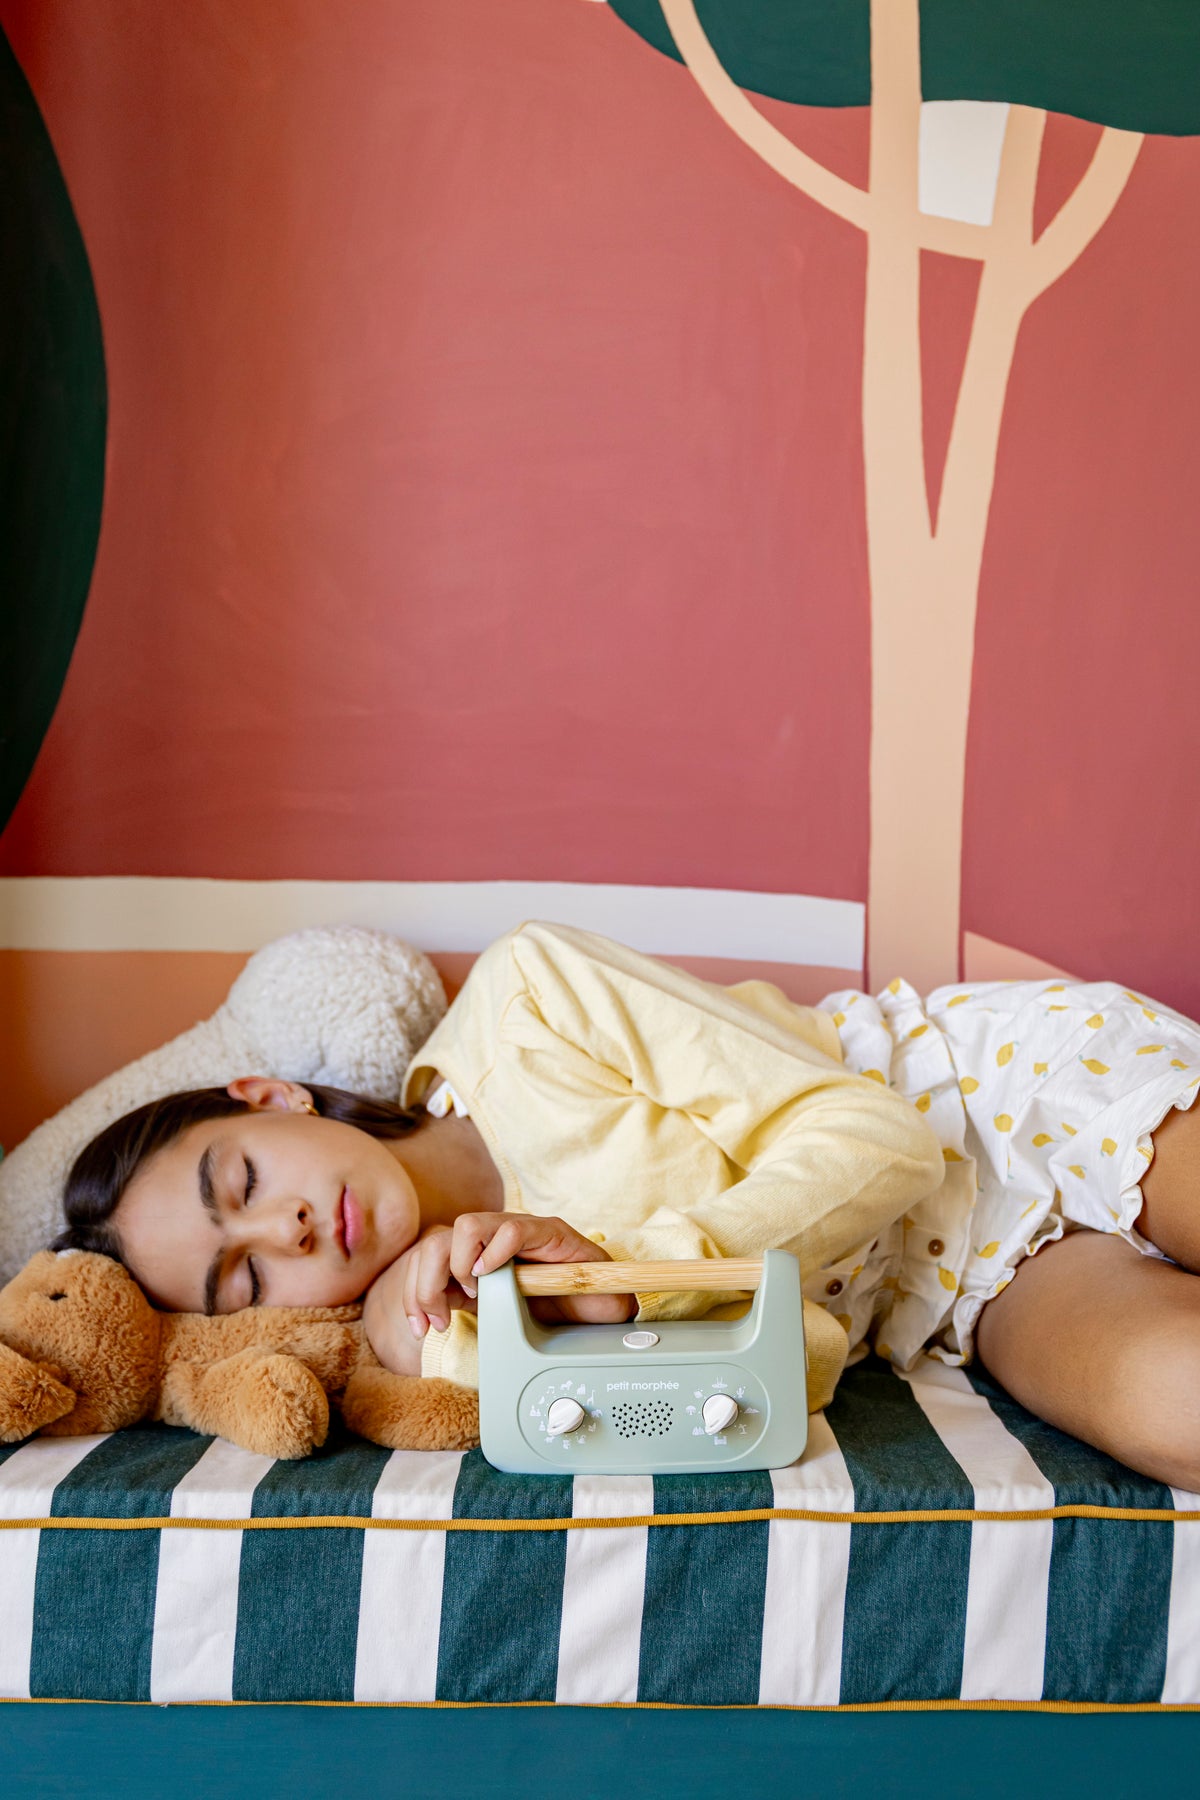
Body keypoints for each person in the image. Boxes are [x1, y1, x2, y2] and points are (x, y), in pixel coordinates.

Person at [56, 921, 1200, 1490]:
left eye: (243, 1183)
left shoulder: (529, 996)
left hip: (989, 1099)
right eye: (247, 1275)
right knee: (1176, 1408)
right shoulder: (442, 1321)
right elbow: (791, 1365)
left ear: (271, 1096)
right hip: (957, 1291)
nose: (286, 1230)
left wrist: (623, 1272)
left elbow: (881, 1139)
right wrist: (456, 1345)